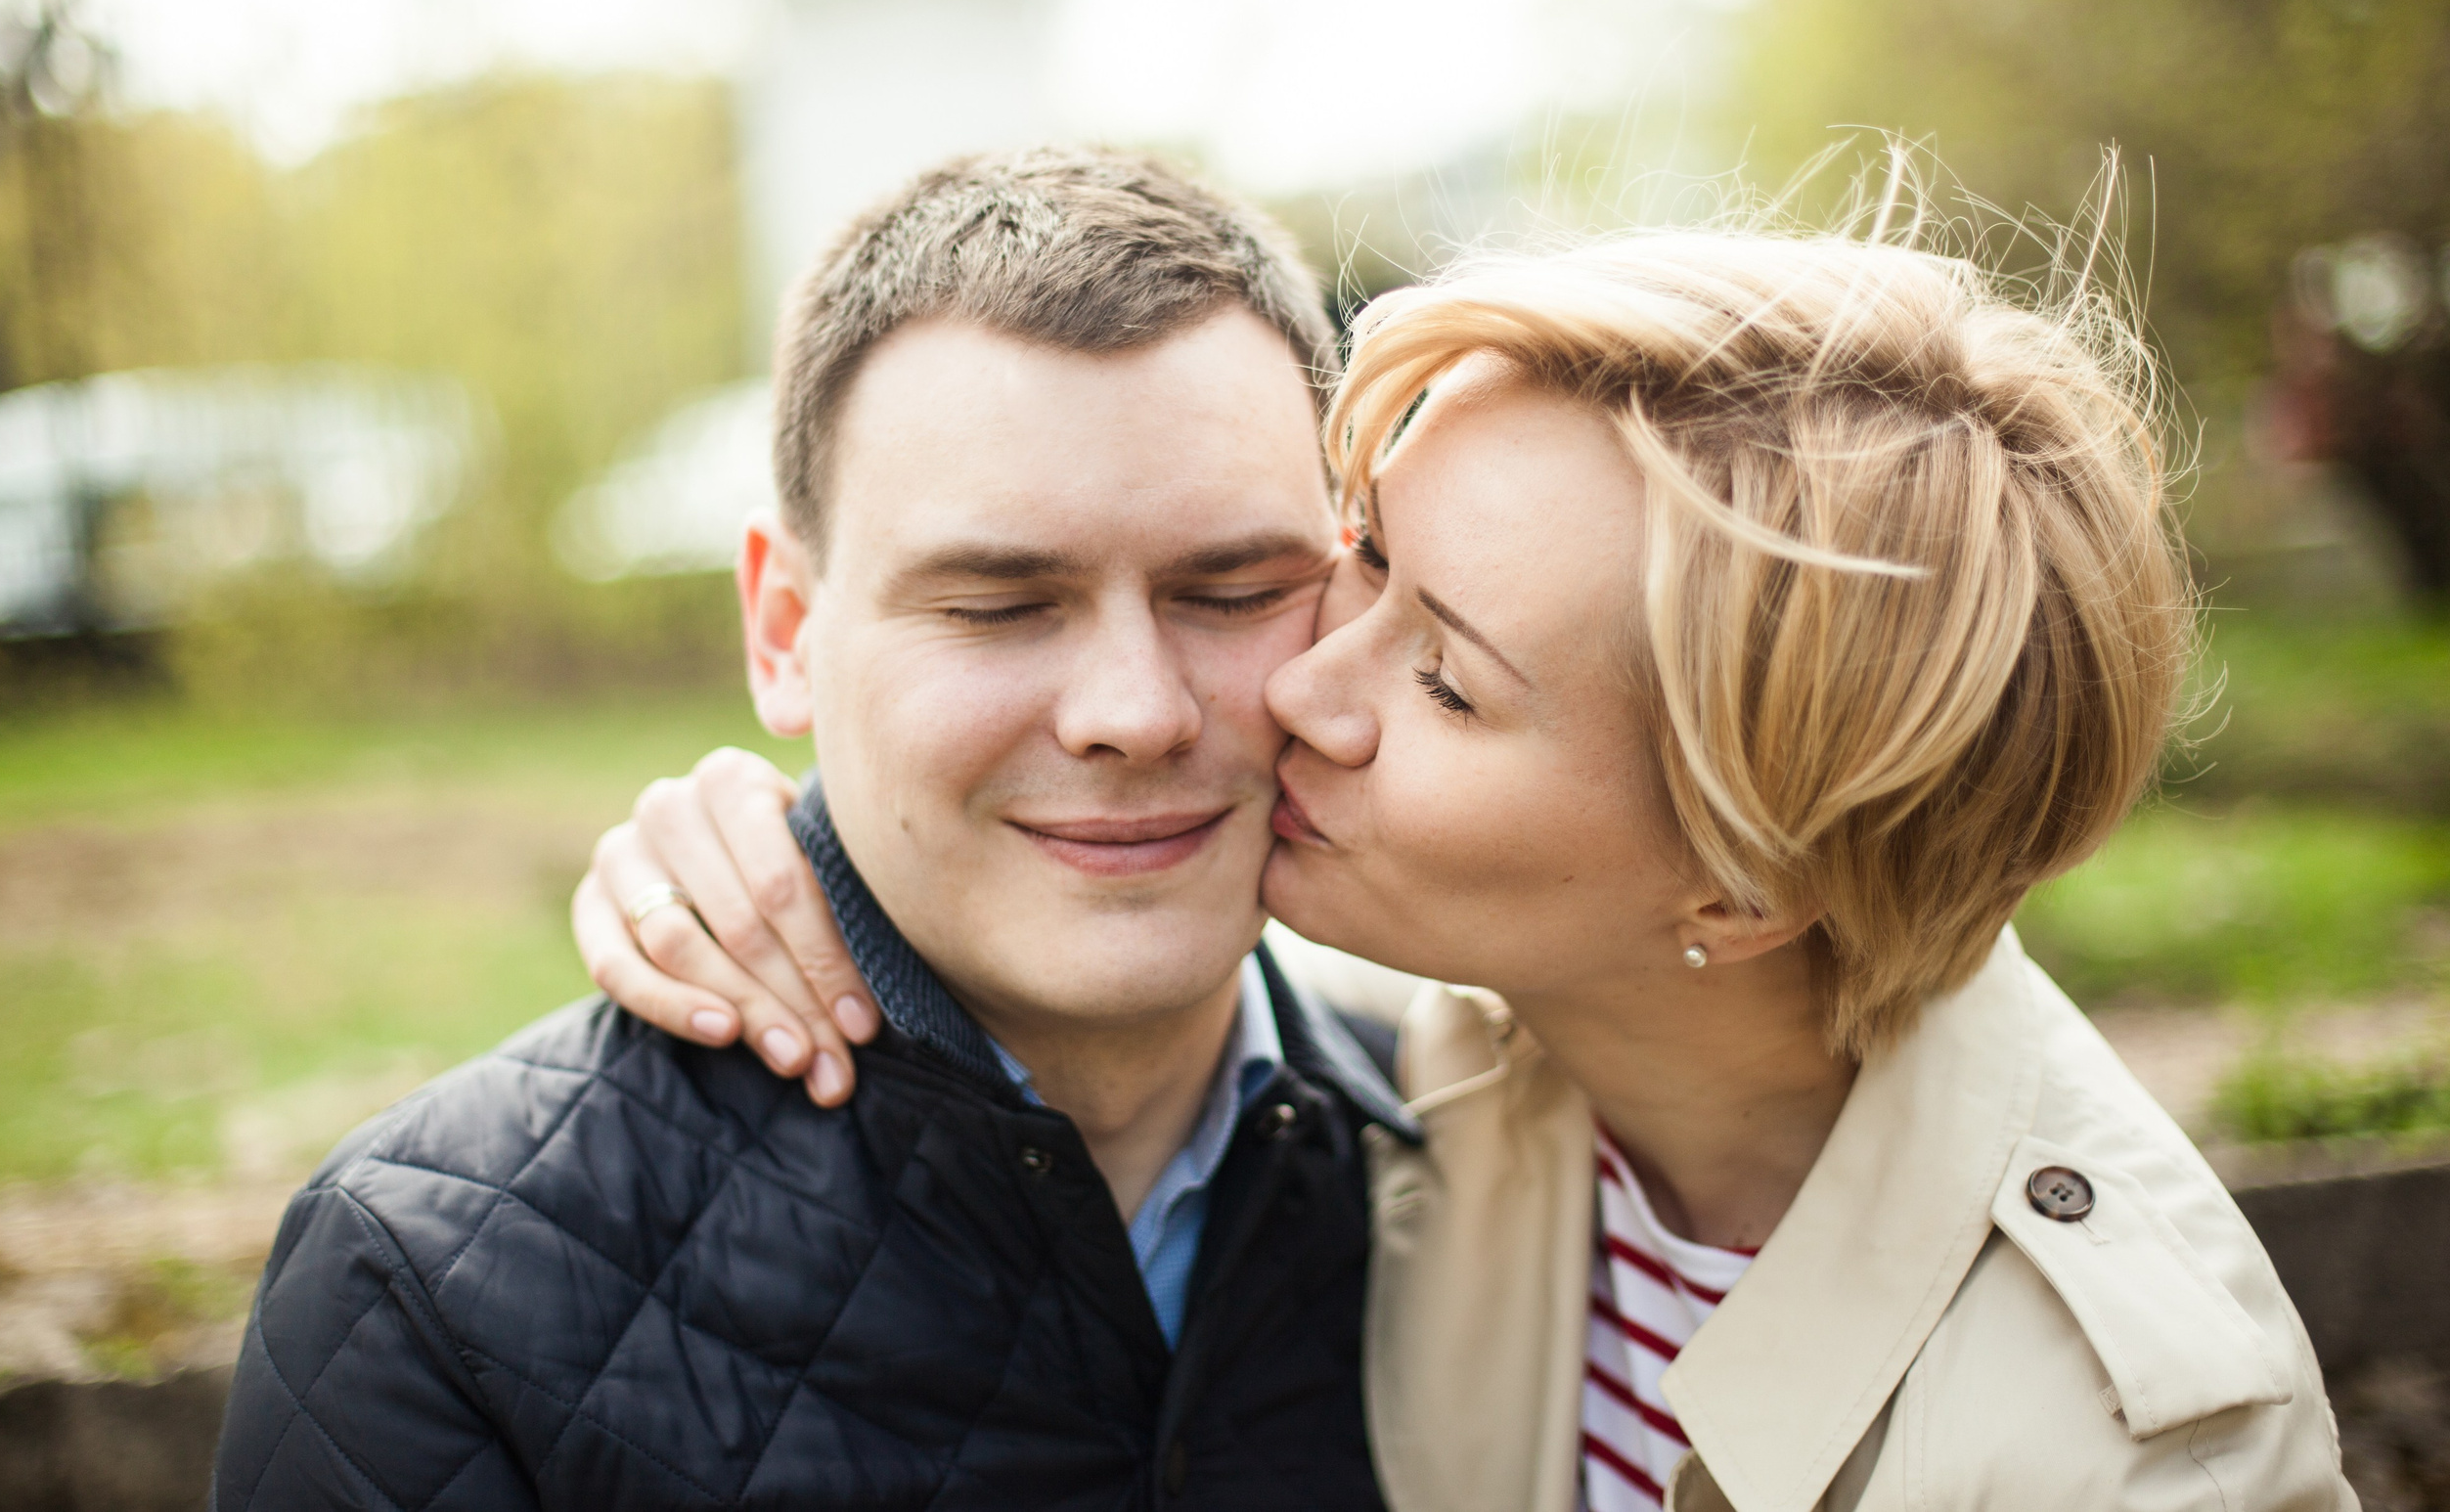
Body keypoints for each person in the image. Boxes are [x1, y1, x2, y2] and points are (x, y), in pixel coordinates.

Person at [573, 223, 2359, 1508]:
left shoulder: (2139, 1449)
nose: (1286, 687)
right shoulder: (1435, 1038)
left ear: (1736, 890)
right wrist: (748, 851)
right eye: (1362, 566)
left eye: (1443, 676)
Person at [209, 148, 1417, 1512]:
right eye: (998, 606)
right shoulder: (432, 1296)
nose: (1133, 713)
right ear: (785, 630)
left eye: (1236, 588)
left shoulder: (1497, 1181)